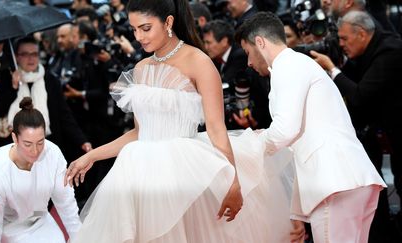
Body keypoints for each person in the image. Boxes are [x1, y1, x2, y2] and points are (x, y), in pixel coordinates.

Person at [64, 0, 295, 242]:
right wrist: (91, 156)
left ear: (168, 22)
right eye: (134, 30)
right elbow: (138, 133)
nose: (138, 37)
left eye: (145, 28)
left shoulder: (199, 62)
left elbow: (217, 130)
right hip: (137, 173)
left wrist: (233, 181)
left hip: (184, 173)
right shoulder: (141, 68)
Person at [235, 11, 386, 243]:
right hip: (349, 179)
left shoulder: (287, 65)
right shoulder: (297, 63)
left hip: (334, 182)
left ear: (260, 42)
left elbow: (285, 130)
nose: (249, 62)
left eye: (247, 53)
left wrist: (250, 146)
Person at [311, 10, 402, 242]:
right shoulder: (366, 50)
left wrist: (331, 68)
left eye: (344, 39)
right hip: (382, 132)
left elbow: (360, 95)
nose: (340, 44)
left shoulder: (390, 51)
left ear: (361, 34)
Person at [0, 97, 81, 243]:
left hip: (36, 214)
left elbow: (66, 201)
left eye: (40, 142)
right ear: (15, 138)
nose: (35, 151)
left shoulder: (53, 153)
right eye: (28, 144)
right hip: (2, 219)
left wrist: (79, 237)